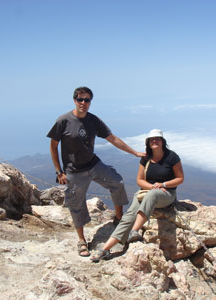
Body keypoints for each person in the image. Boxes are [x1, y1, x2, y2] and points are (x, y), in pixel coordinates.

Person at [47, 86, 145, 257]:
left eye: (87, 100)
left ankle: (118, 217)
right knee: (76, 205)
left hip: (93, 164)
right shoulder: (64, 120)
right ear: (74, 100)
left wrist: (135, 152)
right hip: (74, 171)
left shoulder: (93, 120)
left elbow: (112, 138)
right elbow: (53, 145)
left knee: (117, 182)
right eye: (80, 99)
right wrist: (59, 171)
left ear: (90, 102)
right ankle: (82, 241)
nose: (83, 103)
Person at [91, 129, 184, 262]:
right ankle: (105, 250)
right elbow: (139, 180)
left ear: (163, 141)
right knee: (128, 217)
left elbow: (180, 178)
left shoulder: (172, 157)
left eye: (157, 138)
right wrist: (152, 187)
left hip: (166, 193)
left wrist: (163, 185)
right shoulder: (146, 158)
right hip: (146, 192)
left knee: (152, 195)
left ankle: (134, 231)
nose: (155, 141)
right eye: (152, 139)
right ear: (148, 143)